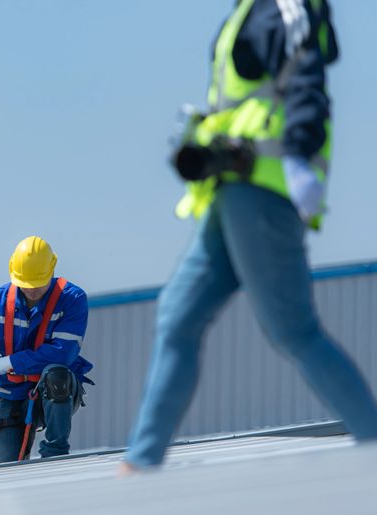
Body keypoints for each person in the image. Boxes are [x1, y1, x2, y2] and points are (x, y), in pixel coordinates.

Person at [121, 0, 377, 473]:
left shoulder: (287, 6)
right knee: (178, 316)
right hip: (229, 190)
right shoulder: (252, 9)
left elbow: (306, 77)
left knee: (295, 332)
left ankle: (373, 440)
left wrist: (300, 157)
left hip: (261, 187)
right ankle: (140, 462)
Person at [0, 236, 93, 464]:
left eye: (38, 283)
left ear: (52, 269)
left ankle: (55, 452)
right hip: (12, 393)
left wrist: (8, 362)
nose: (31, 290)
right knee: (0, 466)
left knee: (56, 375)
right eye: (25, 283)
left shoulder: (72, 299)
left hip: (57, 391)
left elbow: (63, 353)